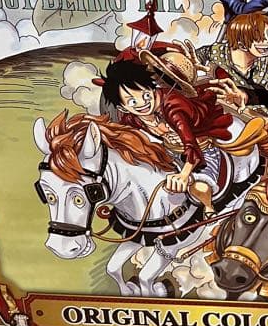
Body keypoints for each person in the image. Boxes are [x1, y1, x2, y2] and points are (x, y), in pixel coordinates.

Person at [96, 58, 233, 213]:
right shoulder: (131, 119)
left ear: (152, 89)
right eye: (132, 102)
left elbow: (191, 144)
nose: (142, 103)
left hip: (201, 151)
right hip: (170, 153)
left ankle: (209, 212)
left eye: (146, 95)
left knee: (199, 188)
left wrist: (184, 175)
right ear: (123, 108)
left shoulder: (173, 106)